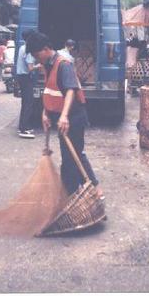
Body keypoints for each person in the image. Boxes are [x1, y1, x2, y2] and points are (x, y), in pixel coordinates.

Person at [27, 31, 102, 198]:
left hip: (73, 117)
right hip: (62, 117)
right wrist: (45, 113)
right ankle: (71, 193)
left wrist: (64, 116)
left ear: (46, 49)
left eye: (36, 54)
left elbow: (70, 90)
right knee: (68, 157)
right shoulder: (48, 64)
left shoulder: (64, 64)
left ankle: (95, 190)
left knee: (75, 155)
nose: (35, 58)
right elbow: (50, 90)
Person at [16, 30, 39, 138]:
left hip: (21, 77)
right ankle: (24, 129)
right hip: (26, 78)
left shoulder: (22, 47)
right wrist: (39, 66)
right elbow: (30, 68)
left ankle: (22, 126)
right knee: (29, 103)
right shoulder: (28, 50)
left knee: (25, 102)